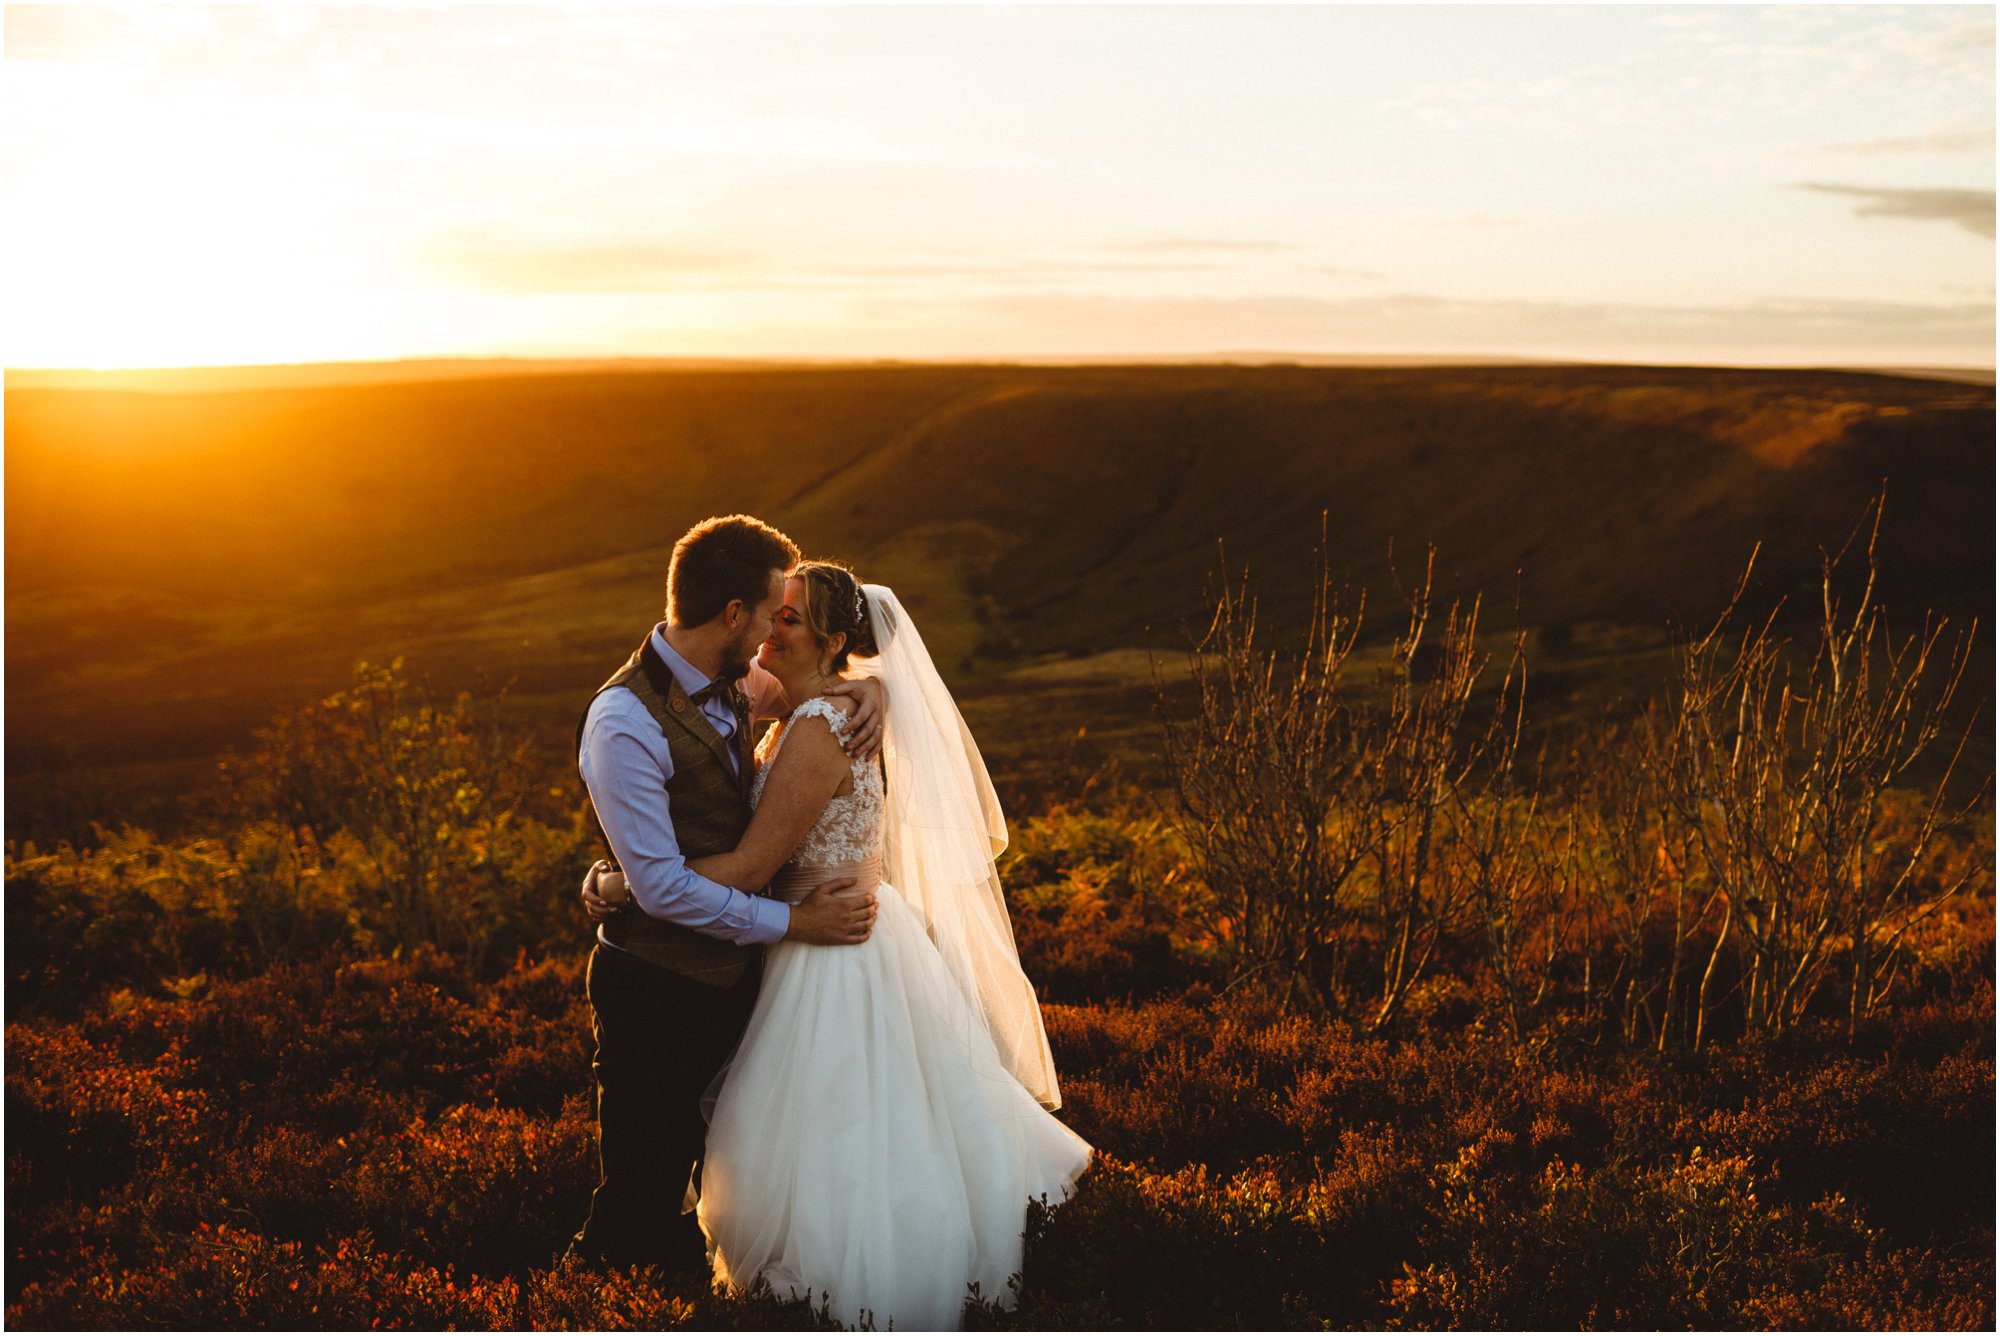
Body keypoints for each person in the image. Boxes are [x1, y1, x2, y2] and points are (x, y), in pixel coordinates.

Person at [586, 561, 1091, 1330]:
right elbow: (739, 688)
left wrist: (628, 886)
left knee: (839, 1134)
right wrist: (872, 686)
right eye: (770, 614)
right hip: (807, 939)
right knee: (816, 1132)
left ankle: (852, 1282)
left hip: (832, 947)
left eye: (788, 619)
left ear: (828, 639)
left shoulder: (820, 729)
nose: (770, 630)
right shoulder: (799, 704)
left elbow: (755, 867)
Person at [566, 516, 888, 1279]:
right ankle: (587, 1303)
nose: (776, 628)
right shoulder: (623, 722)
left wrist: (874, 689)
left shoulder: (743, 679)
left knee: (736, 1176)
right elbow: (667, 889)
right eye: (770, 612)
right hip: (655, 987)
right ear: (733, 615)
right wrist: (794, 921)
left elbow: (821, 690)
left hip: (740, 985)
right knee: (639, 1193)